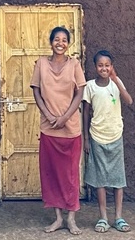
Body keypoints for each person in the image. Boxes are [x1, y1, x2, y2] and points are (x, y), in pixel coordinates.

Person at [31, 26, 87, 235]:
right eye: (56, 39)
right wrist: (47, 114)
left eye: (64, 40)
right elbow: (36, 91)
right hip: (49, 130)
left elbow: (79, 92)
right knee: (52, 175)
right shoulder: (41, 64)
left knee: (70, 175)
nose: (60, 43)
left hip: (70, 129)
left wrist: (64, 117)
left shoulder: (74, 65)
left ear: (68, 43)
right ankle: (58, 218)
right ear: (51, 41)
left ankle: (71, 219)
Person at [82, 50, 133, 233]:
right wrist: (86, 138)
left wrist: (117, 80)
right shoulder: (89, 86)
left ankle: (118, 217)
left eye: (107, 65)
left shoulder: (116, 83)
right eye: (100, 65)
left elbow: (128, 100)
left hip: (115, 136)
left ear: (112, 66)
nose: (104, 68)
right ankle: (103, 217)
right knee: (100, 180)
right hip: (97, 137)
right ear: (95, 67)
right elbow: (86, 112)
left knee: (118, 179)